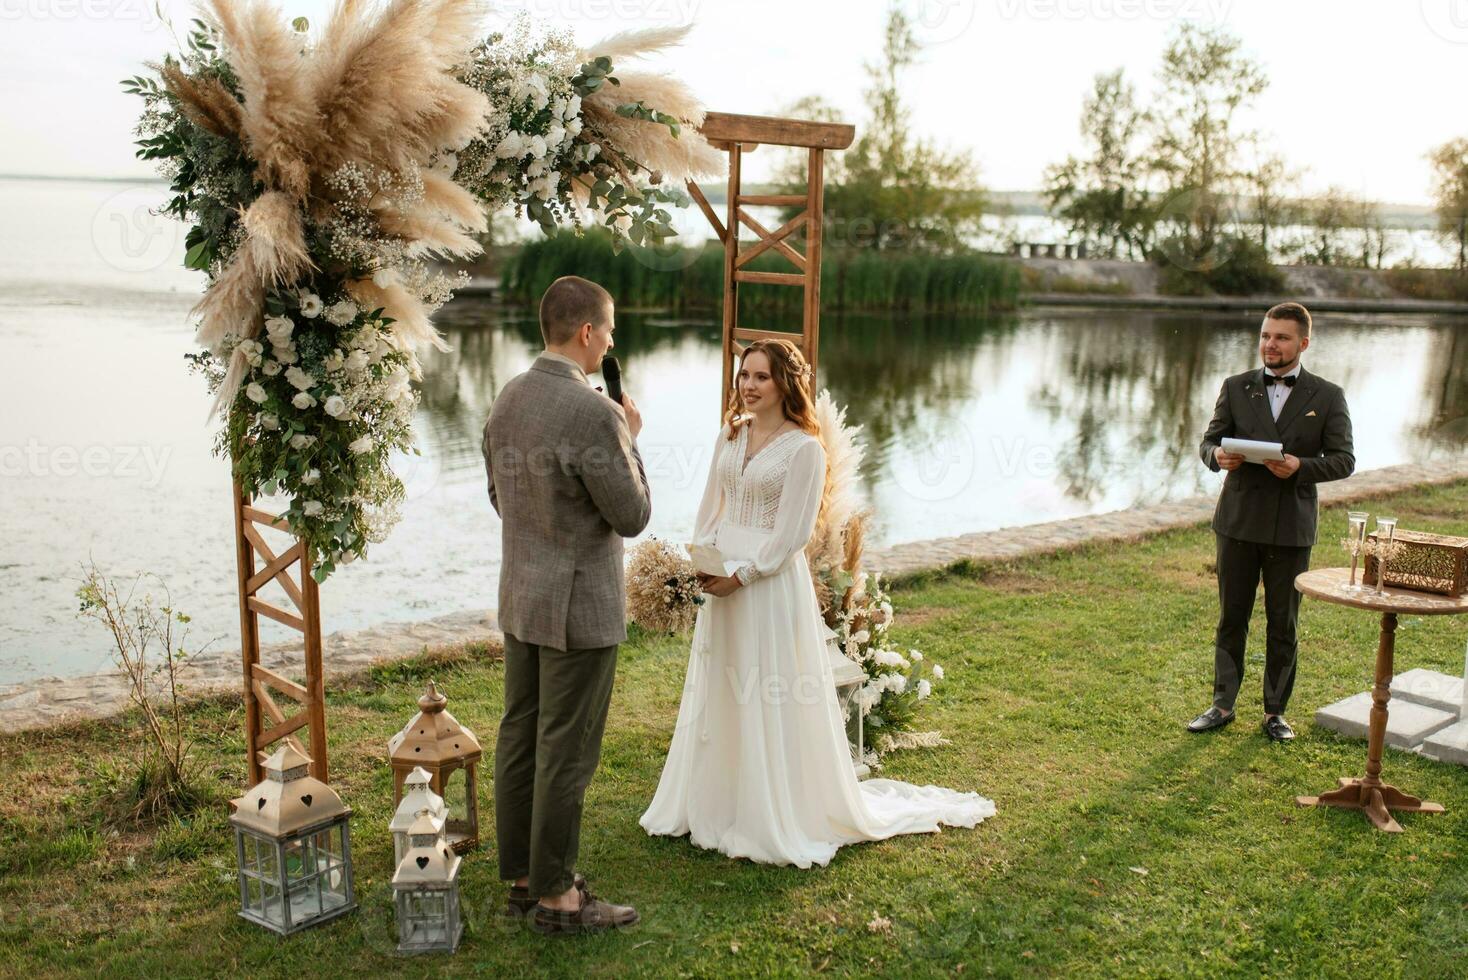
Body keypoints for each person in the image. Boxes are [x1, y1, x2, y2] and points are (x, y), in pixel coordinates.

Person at [639, 339, 995, 867]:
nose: (749, 385)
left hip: (766, 581)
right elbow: (709, 507)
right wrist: (702, 561)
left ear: (785, 383)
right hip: (723, 578)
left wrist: (744, 573)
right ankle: (713, 802)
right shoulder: (730, 434)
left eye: (761, 376)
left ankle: (769, 810)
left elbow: (795, 533)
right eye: (744, 375)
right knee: (723, 684)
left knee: (764, 687)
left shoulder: (805, 448)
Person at [482, 275, 651, 935]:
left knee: (520, 736)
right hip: (579, 609)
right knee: (566, 750)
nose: (611, 341)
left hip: (522, 598)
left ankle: (525, 879)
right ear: (587, 334)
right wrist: (630, 436)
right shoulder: (596, 413)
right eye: (608, 330)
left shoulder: (508, 397)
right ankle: (557, 897)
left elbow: (501, 497)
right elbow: (632, 515)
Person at [1190, 302, 1355, 741]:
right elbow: (1208, 441)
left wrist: (1301, 466)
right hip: (1238, 521)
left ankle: (1275, 713)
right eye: (1265, 335)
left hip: (1290, 527)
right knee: (1231, 618)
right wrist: (1216, 457)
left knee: (1284, 622)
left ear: (1303, 343)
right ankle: (1222, 704)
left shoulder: (1328, 395)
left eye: (1281, 337)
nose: (1270, 344)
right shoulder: (1236, 386)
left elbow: (1344, 461)